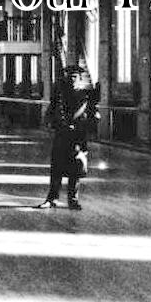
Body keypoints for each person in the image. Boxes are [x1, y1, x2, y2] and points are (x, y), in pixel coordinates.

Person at [37, 66, 94, 210]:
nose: (72, 80)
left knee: (75, 170)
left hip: (78, 138)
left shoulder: (85, 95)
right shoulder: (59, 94)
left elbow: (92, 116)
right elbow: (52, 110)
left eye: (75, 77)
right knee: (57, 168)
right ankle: (52, 199)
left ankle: (73, 200)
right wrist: (52, 123)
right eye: (70, 77)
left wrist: (82, 127)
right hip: (62, 135)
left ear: (80, 79)